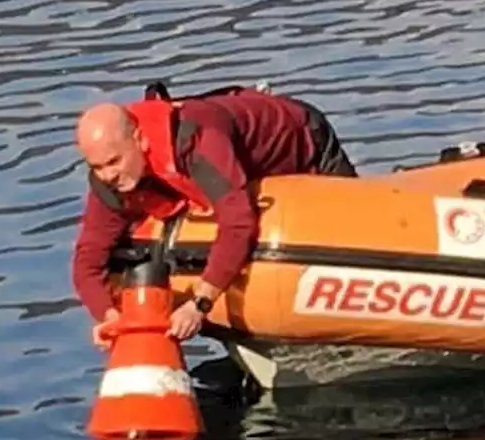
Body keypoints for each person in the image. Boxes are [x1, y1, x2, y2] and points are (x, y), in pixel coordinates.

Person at [70, 85, 356, 348]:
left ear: (140, 140)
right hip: (240, 172)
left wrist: (200, 304)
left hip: (303, 140)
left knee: (347, 233)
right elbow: (88, 261)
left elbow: (238, 222)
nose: (108, 175)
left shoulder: (198, 141)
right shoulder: (110, 183)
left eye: (114, 162)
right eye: (97, 167)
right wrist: (109, 316)